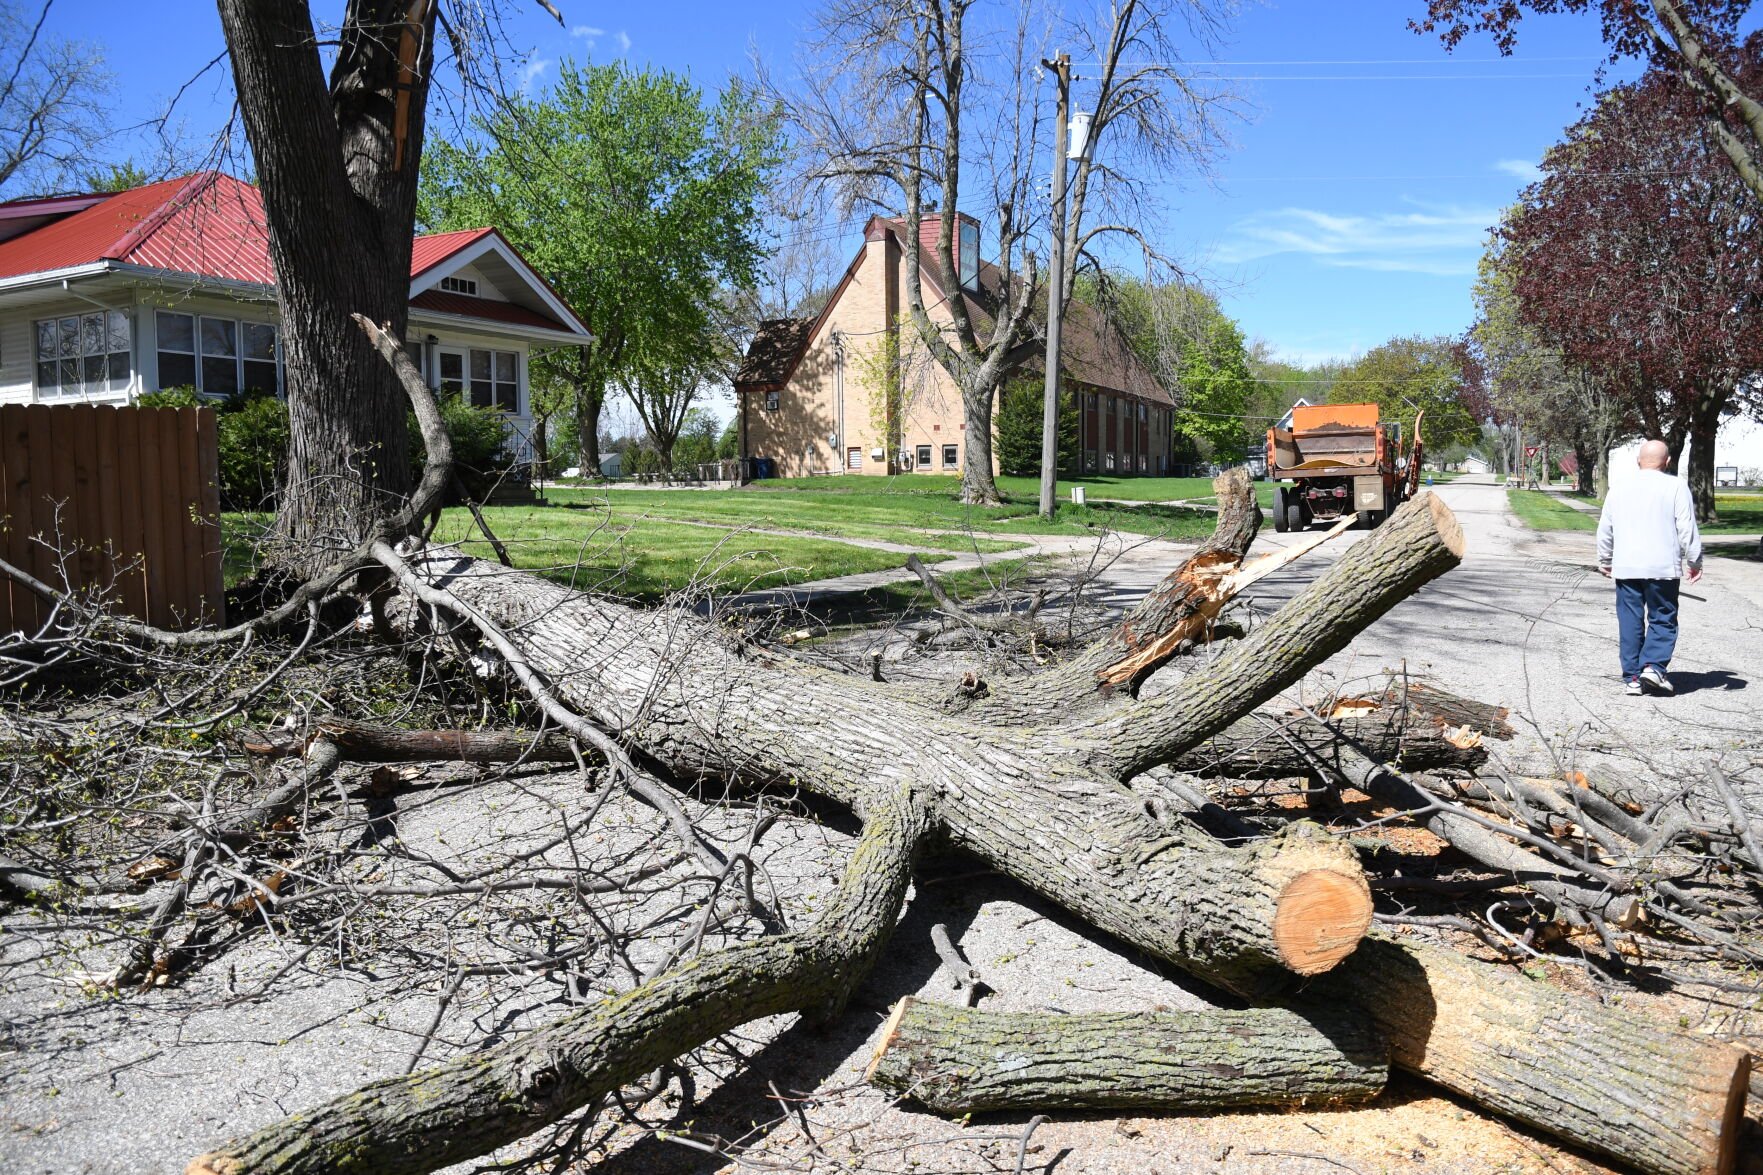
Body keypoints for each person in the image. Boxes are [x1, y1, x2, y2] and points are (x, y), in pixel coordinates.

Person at [1595, 440, 1703, 696]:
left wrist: (1605, 558)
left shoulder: (1619, 488)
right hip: (1662, 566)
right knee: (1663, 617)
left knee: (1629, 619)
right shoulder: (1675, 485)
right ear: (1667, 462)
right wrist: (1694, 560)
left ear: (1638, 461)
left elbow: (1605, 527)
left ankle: (1632, 676)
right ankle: (1653, 667)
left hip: (1627, 565)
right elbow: (1686, 526)